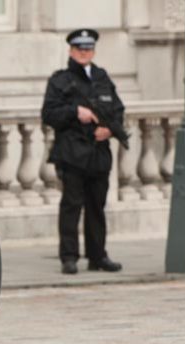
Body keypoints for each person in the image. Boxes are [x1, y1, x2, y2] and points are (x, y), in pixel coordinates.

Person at [41, 28, 125, 275]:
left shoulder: (102, 77)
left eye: (88, 48)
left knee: (97, 206)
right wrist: (75, 112)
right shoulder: (60, 80)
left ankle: (98, 256)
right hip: (72, 153)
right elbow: (48, 114)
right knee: (71, 206)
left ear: (93, 51)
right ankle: (69, 257)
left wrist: (109, 130)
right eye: (79, 48)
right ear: (71, 50)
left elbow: (118, 111)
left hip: (99, 153)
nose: (84, 52)